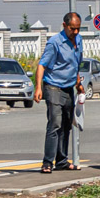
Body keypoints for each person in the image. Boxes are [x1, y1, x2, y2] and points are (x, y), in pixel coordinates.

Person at [34, 11, 85, 173]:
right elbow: (42, 65)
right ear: (64, 25)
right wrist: (38, 87)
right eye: (72, 28)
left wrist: (78, 84)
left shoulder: (79, 40)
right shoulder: (54, 43)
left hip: (68, 88)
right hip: (53, 87)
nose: (75, 32)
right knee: (55, 123)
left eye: (78, 28)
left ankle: (61, 160)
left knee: (66, 125)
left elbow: (75, 65)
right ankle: (47, 162)